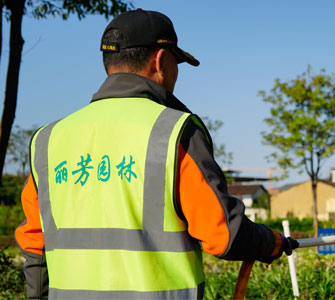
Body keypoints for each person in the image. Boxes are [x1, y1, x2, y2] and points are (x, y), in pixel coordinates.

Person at [15, 8, 297, 299]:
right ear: (161, 60)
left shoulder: (48, 140)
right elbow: (223, 234)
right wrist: (271, 242)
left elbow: (34, 246)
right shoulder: (175, 131)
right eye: (177, 63)